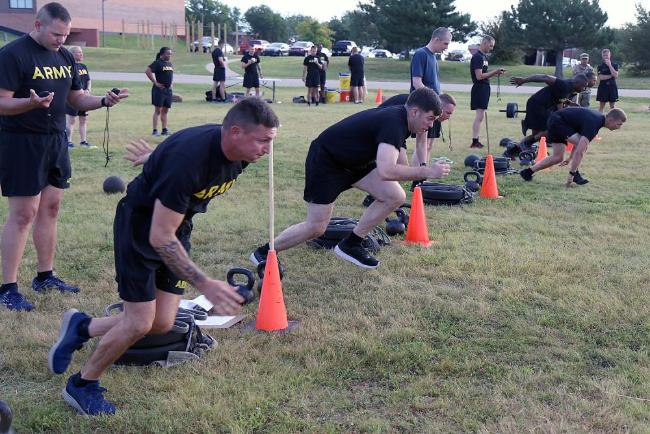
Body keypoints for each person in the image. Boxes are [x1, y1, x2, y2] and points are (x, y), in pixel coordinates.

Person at [48, 98, 279, 415]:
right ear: (236, 132)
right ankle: (82, 384)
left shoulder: (241, 152)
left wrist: (154, 158)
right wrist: (204, 283)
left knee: (161, 323)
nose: (268, 149)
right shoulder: (189, 162)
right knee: (139, 323)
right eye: (263, 140)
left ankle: (83, 327)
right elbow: (159, 236)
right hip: (141, 230)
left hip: (176, 227)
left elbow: (177, 158)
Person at [0, 2, 126, 312]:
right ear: (39, 25)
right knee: (23, 214)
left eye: (66, 35)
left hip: (56, 140)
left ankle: (45, 275)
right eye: (57, 34)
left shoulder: (65, 56)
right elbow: (1, 103)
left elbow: (75, 97)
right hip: (22, 142)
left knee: (51, 208)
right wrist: (29, 104)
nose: (61, 40)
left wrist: (102, 101)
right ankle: (7, 287)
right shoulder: (13, 54)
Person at [250, 87, 450, 270]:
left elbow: (395, 167)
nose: (431, 125)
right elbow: (387, 171)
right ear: (414, 112)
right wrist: (427, 172)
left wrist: (421, 168)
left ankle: (350, 244)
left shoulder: (404, 121)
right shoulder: (394, 122)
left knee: (394, 195)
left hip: (356, 164)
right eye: (430, 119)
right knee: (316, 227)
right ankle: (263, 252)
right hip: (327, 162)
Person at [519, 107, 626, 186]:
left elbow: (578, 139)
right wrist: (571, 173)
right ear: (611, 120)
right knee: (583, 146)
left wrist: (570, 158)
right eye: (619, 124)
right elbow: (580, 151)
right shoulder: (595, 123)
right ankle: (575, 175)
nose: (619, 127)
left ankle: (527, 172)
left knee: (558, 157)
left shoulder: (597, 120)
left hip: (557, 120)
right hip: (558, 122)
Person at [509, 72, 594, 149]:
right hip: (537, 104)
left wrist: (570, 103)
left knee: (537, 134)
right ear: (577, 83)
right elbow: (545, 77)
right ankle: (527, 138)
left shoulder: (572, 89)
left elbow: (560, 97)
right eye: (583, 86)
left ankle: (516, 148)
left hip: (543, 106)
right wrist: (524, 80)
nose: (584, 89)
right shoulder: (564, 84)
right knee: (552, 126)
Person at [410, 27, 452, 175]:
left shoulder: (434, 57)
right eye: (445, 44)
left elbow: (435, 84)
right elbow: (417, 83)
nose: (446, 48)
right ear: (436, 39)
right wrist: (434, 99)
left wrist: (443, 99)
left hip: (434, 106)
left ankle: (423, 175)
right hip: (424, 106)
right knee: (422, 143)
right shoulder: (421, 54)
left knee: (429, 144)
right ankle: (417, 176)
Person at [379, 92, 457, 169]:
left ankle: (417, 181)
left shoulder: (430, 113)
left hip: (396, 130)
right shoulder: (425, 108)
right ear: (440, 107)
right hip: (384, 127)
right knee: (401, 167)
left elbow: (422, 142)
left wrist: (423, 166)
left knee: (402, 169)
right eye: (448, 113)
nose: (449, 117)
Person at [469, 35, 505, 148]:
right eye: (490, 45)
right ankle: (475, 141)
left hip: (484, 88)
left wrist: (496, 73)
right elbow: (479, 76)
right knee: (479, 116)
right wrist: (495, 72)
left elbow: (484, 74)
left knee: (481, 116)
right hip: (479, 88)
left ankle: (476, 140)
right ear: (484, 43)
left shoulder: (484, 57)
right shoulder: (477, 57)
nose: (491, 48)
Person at [65, 46, 94, 148]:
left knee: (83, 119)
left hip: (84, 97)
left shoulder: (83, 66)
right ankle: (68, 142)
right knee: (71, 120)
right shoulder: (69, 67)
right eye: (78, 52)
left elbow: (88, 80)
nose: (81, 54)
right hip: (73, 98)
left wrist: (88, 90)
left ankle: (83, 141)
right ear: (72, 54)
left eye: (81, 52)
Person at [145, 46, 173, 136]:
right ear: (162, 54)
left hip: (168, 91)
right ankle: (155, 130)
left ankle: (164, 130)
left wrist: (171, 84)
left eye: (170, 54)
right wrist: (155, 82)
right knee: (158, 111)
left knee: (165, 111)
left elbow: (170, 76)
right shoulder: (157, 63)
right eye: (168, 53)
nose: (169, 55)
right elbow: (148, 71)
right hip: (159, 91)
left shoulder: (169, 64)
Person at [596, 48, 619, 113]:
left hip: (612, 87)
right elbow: (601, 77)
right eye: (604, 55)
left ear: (610, 55)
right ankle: (600, 119)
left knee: (613, 107)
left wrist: (609, 65)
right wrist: (611, 75)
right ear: (602, 56)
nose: (605, 57)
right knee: (601, 106)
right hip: (603, 87)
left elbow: (616, 75)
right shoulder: (600, 66)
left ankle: (614, 120)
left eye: (607, 55)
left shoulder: (615, 65)